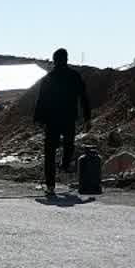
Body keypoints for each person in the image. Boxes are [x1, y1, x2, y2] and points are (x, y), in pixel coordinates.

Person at [33, 48, 92, 195]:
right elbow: (84, 98)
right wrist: (87, 118)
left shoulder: (49, 77)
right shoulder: (74, 76)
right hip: (68, 118)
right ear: (66, 59)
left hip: (52, 120)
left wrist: (38, 119)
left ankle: (50, 186)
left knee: (50, 153)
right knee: (69, 145)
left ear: (54, 60)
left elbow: (41, 100)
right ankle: (65, 165)